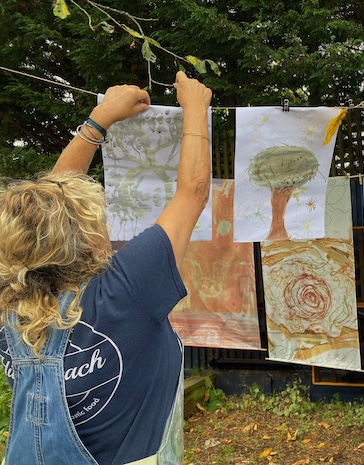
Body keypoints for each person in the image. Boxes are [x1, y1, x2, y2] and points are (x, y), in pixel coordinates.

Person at [0, 71, 212, 465]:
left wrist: (98, 121)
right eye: (98, 220)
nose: (107, 226)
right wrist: (197, 108)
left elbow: (45, 211)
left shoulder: (9, 299)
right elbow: (193, 192)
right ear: (84, 240)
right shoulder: (126, 288)